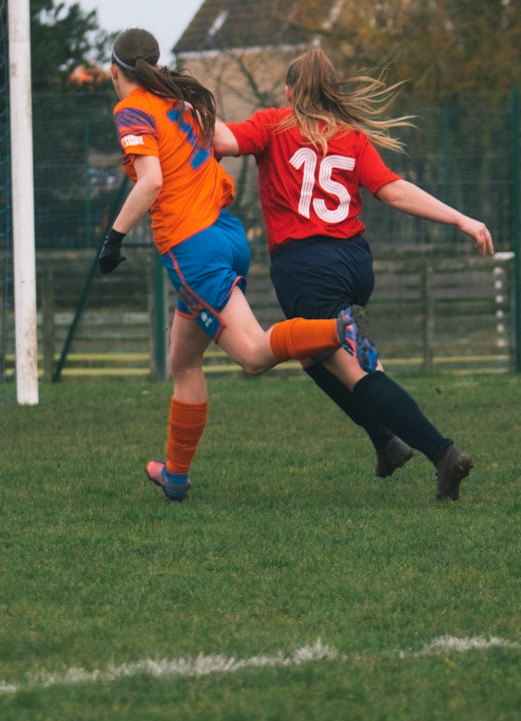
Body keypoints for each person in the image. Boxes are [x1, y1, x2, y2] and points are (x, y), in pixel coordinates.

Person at [95, 28, 370, 502]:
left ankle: (336, 330)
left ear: (113, 71)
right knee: (183, 361)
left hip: (193, 247)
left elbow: (151, 182)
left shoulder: (131, 108)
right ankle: (176, 475)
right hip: (224, 232)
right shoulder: (177, 100)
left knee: (253, 356)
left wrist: (113, 239)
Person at [211, 48, 491, 500]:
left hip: (307, 268)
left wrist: (183, 107)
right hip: (354, 263)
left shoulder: (273, 123)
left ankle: (443, 454)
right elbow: (394, 192)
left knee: (360, 370)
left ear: (289, 92)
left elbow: (220, 141)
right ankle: (385, 442)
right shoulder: (351, 135)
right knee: (312, 356)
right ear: (331, 92)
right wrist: (461, 219)